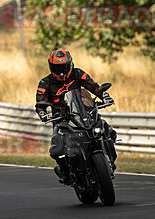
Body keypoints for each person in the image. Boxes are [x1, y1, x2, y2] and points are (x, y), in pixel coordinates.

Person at [35, 49, 118, 184]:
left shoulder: (78, 73)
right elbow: (40, 102)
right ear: (51, 67)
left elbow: (93, 86)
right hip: (62, 119)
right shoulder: (45, 83)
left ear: (70, 64)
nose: (61, 70)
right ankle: (64, 171)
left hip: (84, 114)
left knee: (105, 129)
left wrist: (104, 96)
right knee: (57, 146)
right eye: (57, 67)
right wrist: (43, 112)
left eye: (63, 67)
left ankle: (110, 160)